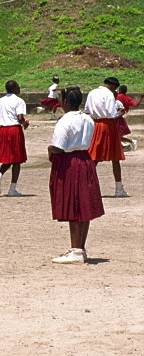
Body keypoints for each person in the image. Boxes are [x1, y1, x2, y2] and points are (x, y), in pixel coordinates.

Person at [48, 88, 105, 264]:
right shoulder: (88, 119)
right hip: (85, 160)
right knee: (84, 204)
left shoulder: (64, 121)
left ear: (65, 102)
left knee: (73, 203)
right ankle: (80, 247)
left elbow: (58, 146)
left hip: (68, 162)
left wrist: (50, 150)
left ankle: (75, 250)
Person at [84, 77, 128, 197]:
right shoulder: (109, 94)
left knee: (94, 156)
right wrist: (118, 114)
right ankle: (119, 189)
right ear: (113, 86)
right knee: (115, 157)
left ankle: (86, 186)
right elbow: (111, 113)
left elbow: (87, 110)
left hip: (96, 124)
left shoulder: (92, 92)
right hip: (108, 125)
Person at [0, 80, 29, 197]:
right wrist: (25, 124)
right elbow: (20, 117)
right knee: (17, 159)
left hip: (3, 129)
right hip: (14, 130)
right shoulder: (19, 101)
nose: (19, 88)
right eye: (18, 87)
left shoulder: (1, 101)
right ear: (14, 89)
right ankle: (12, 189)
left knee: (8, 157)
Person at [115, 84, 138, 152]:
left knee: (116, 135)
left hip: (117, 117)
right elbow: (135, 105)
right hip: (122, 116)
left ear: (120, 90)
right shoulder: (128, 98)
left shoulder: (117, 98)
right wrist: (141, 98)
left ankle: (127, 144)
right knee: (117, 135)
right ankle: (124, 146)